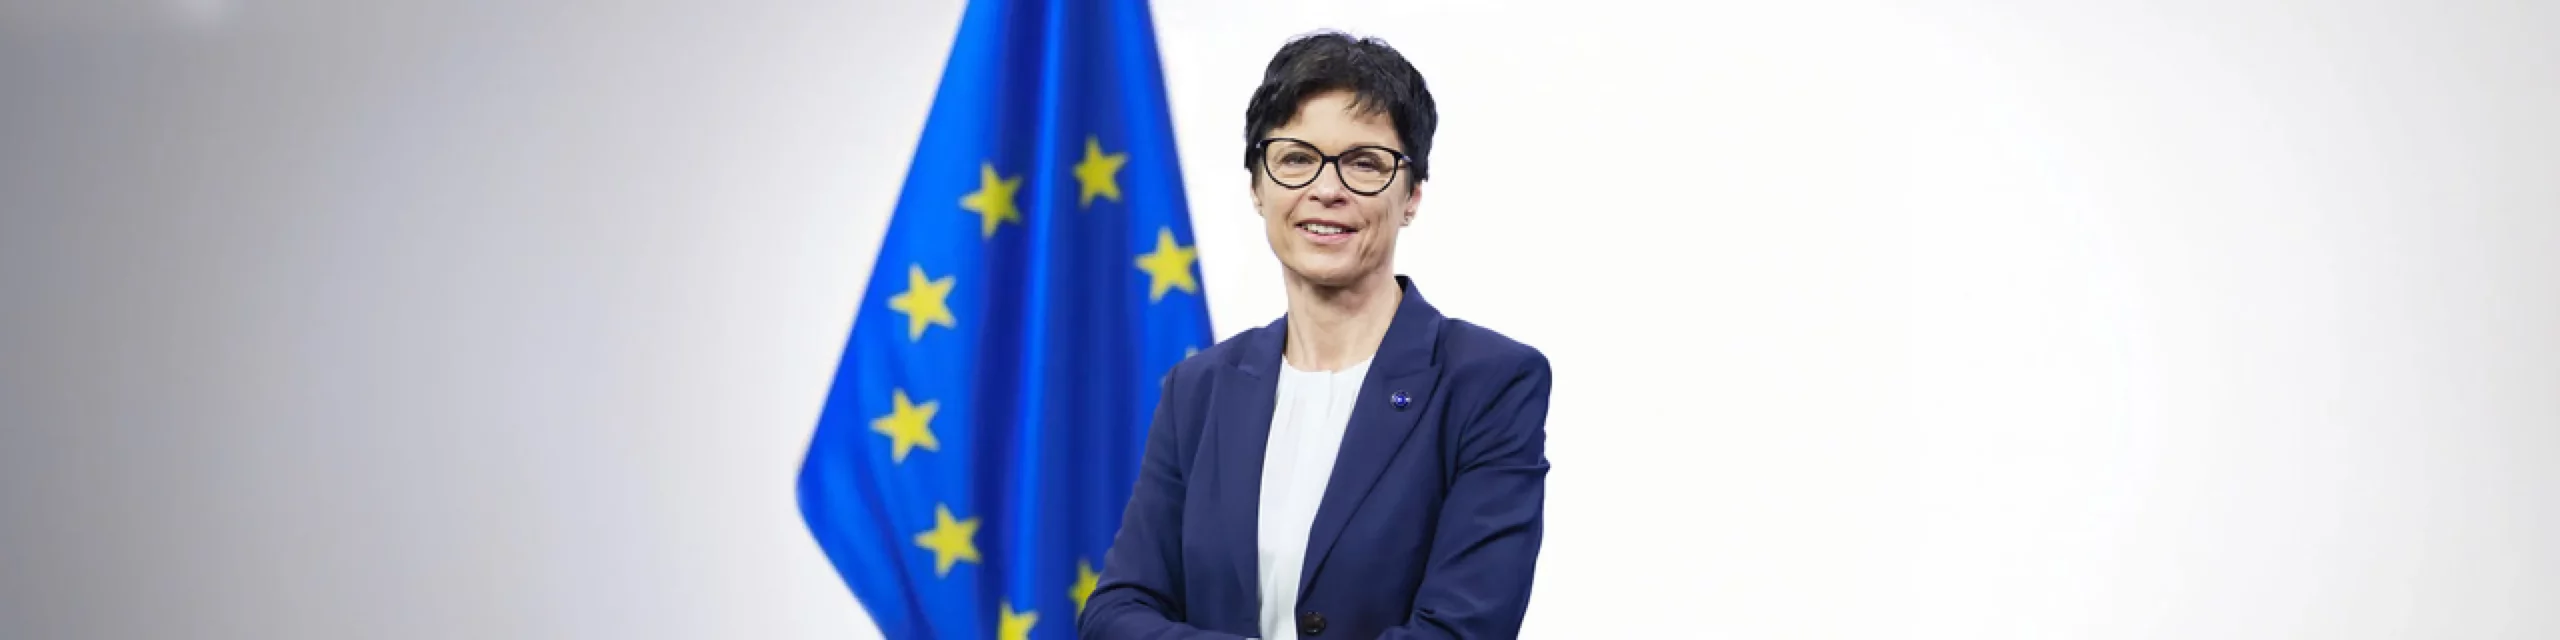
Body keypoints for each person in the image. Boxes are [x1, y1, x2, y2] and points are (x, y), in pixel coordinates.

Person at [1080, 30, 1553, 640]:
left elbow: (1463, 629)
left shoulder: (1489, 382)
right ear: (1257, 187)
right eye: (1296, 158)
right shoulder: (1198, 389)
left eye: (1365, 163)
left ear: (1412, 196)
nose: (1327, 190)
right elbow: (1115, 614)